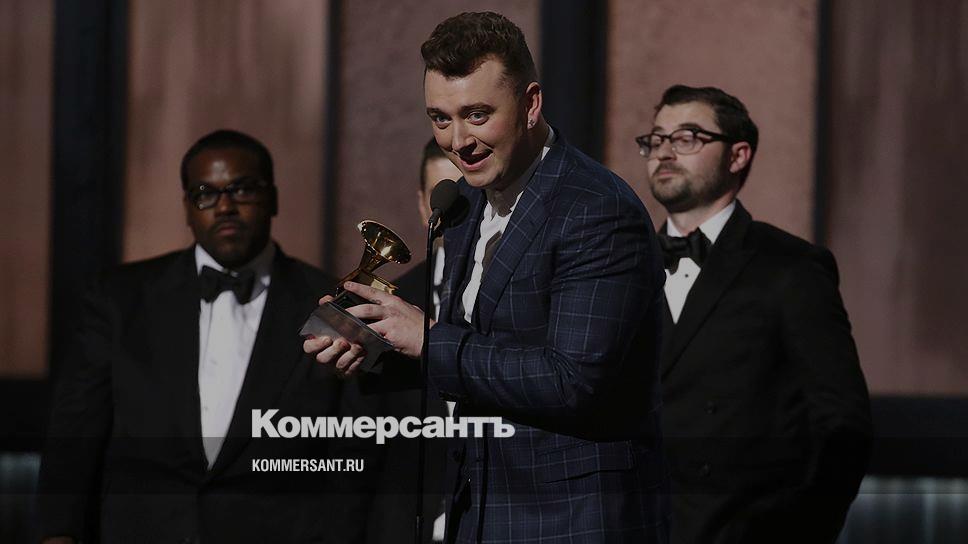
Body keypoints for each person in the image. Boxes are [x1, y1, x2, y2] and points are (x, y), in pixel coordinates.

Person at [305, 11, 670, 543]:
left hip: (573, 522)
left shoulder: (595, 209)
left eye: (477, 115)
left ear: (530, 104)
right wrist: (375, 348)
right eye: (440, 118)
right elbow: (482, 352)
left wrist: (427, 339)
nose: (459, 141)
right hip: (479, 513)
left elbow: (574, 381)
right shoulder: (467, 201)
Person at [38, 129, 375, 543]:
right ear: (187, 207)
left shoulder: (331, 305)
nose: (225, 207)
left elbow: (352, 452)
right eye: (205, 193)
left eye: (243, 190)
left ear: (273, 199)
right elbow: (75, 429)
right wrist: (59, 532)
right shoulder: (118, 298)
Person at [637, 85, 872, 544]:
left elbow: (843, 425)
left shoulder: (791, 266)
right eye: (656, 139)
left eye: (687, 138)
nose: (664, 151)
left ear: (738, 155)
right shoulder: (623, 264)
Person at [367, 138, 460, 544]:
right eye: (442, 204)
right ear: (423, 206)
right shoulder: (387, 303)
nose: (453, 220)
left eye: (465, 203)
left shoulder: (525, 294)